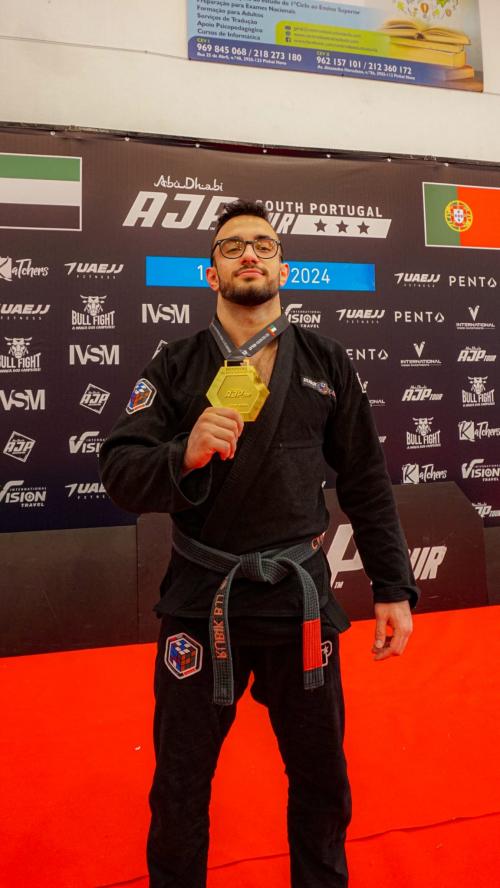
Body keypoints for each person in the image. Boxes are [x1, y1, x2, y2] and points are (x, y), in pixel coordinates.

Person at [99, 198, 418, 888]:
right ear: (210, 274)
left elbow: (365, 480)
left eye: (264, 246)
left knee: (322, 779)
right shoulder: (175, 365)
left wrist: (393, 586)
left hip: (297, 605)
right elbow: (120, 471)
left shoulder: (326, 361)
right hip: (200, 601)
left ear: (284, 268)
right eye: (232, 246)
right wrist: (183, 453)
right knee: (179, 784)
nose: (249, 254)